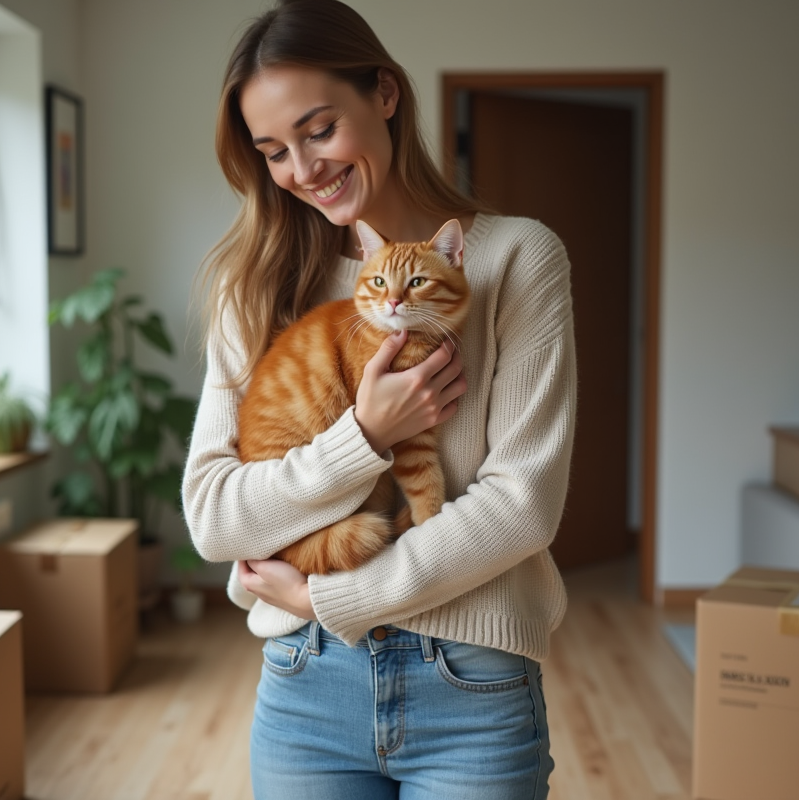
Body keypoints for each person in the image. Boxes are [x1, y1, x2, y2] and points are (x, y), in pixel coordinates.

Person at [183, 2, 576, 797]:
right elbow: (214, 518)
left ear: (385, 94)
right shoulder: (254, 285)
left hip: (470, 683)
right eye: (273, 152)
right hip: (305, 684)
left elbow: (522, 503)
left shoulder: (517, 259)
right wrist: (362, 434)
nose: (303, 169)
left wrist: (335, 595)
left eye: (319, 129)